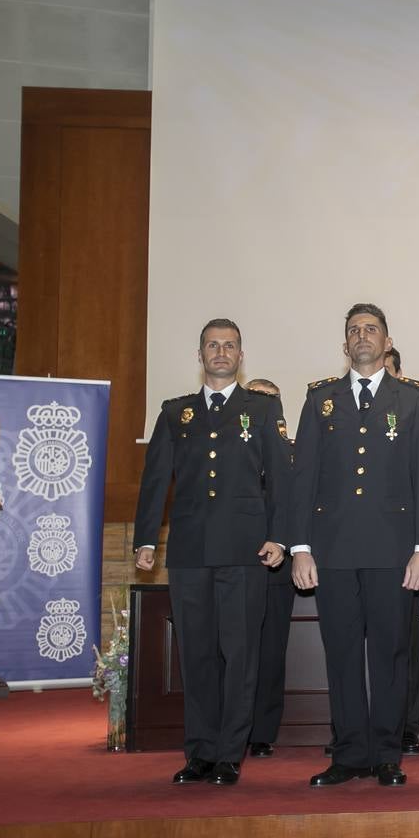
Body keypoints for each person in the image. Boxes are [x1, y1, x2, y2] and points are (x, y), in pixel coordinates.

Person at [133, 318, 292, 786]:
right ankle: (199, 751)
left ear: (241, 357)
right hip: (189, 552)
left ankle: (228, 754)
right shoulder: (174, 413)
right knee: (197, 655)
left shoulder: (261, 410)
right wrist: (146, 539)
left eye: (229, 346)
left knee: (240, 655)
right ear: (200, 355)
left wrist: (279, 537)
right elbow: (156, 480)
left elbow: (281, 479)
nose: (221, 352)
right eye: (212, 346)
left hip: (246, 552)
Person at [289, 304, 419, 787]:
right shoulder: (321, 399)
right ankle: (349, 753)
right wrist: (300, 548)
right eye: (353, 331)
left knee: (391, 654)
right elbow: (303, 477)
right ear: (345, 344)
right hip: (331, 552)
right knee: (343, 652)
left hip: (393, 551)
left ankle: (387, 754)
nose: (362, 337)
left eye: (371, 329)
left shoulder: (413, 400)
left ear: (387, 341)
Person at [242, 377, 298, 759]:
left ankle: (262, 731)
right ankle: (233, 726)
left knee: (271, 649)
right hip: (238, 559)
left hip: (279, 564)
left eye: (272, 401)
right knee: (236, 648)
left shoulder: (291, 451)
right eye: (259, 399)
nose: (266, 406)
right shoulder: (233, 448)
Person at [385, 345, 419, 756]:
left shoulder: (412, 404)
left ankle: (404, 726)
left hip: (402, 549)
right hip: (356, 547)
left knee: (402, 646)